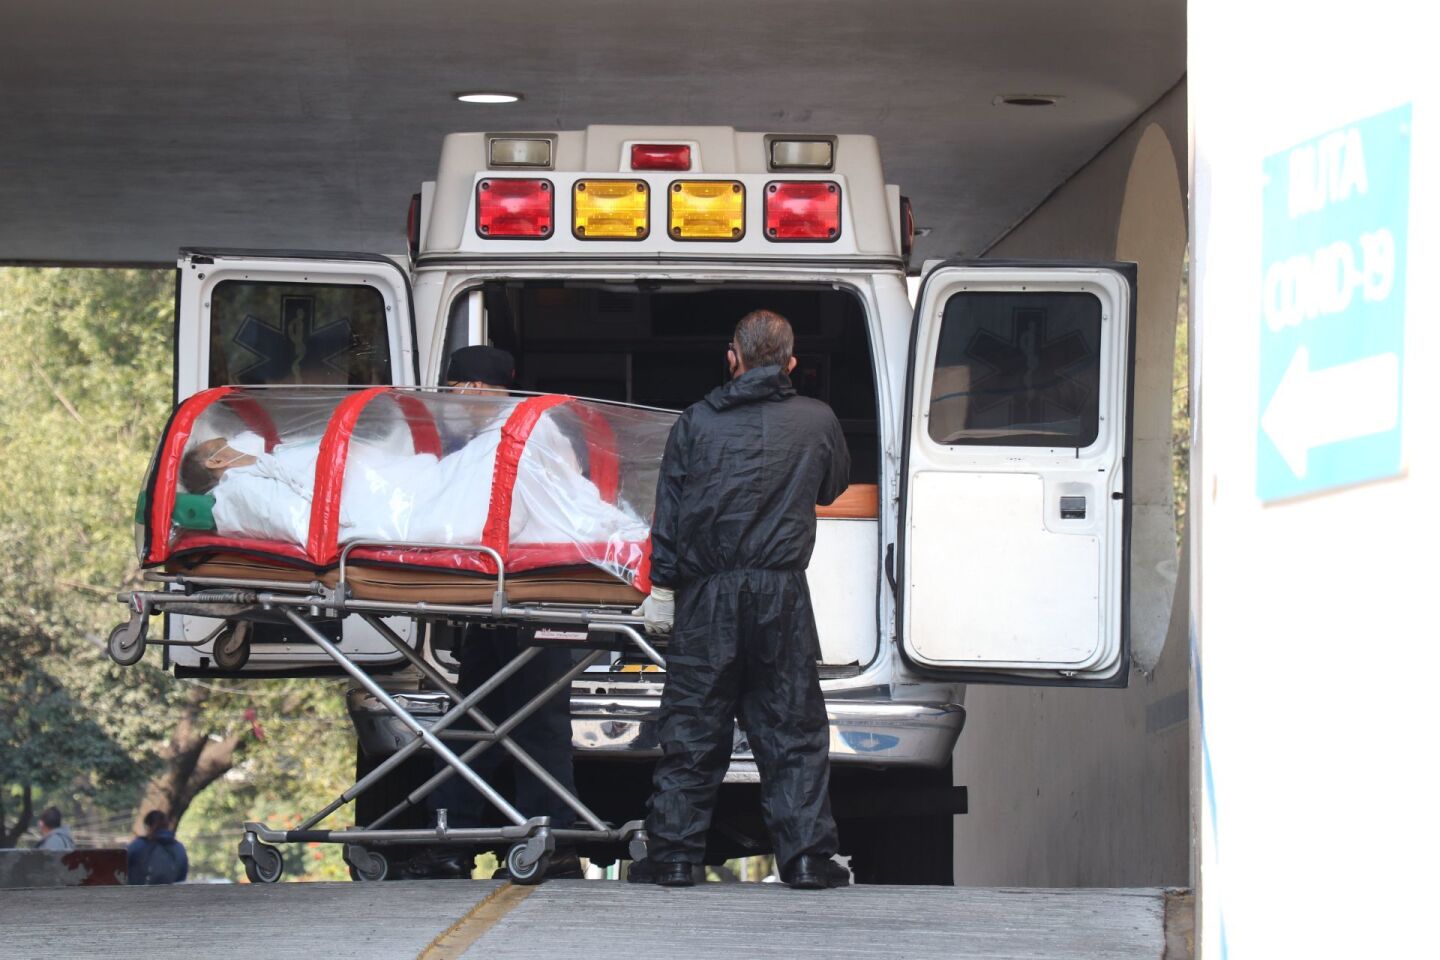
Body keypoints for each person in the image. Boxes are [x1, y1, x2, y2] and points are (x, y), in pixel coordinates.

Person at [630, 310, 851, 890]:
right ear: (792, 363)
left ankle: (675, 855)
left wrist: (663, 588)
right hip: (781, 593)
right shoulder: (818, 419)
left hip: (708, 595)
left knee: (694, 724)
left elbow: (670, 515)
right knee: (793, 728)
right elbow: (832, 486)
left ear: (733, 358)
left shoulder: (697, 422)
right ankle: (805, 859)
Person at [408, 345, 586, 881]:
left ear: (477, 390)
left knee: (537, 720)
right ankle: (452, 839)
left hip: (535, 593)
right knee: (473, 718)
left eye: (456, 392)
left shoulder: (520, 438)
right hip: (499, 597)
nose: (453, 404)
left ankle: (553, 841)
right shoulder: (498, 439)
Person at [126, 810, 188, 885]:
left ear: (147, 826)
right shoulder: (179, 848)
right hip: (170, 894)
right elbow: (182, 877)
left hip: (140, 894)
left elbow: (121, 867)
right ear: (168, 825)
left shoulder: (139, 845)